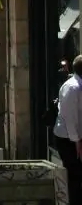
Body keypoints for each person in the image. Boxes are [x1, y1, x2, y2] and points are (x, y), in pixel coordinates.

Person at [53, 54, 82, 204]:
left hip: (74, 137)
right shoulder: (73, 87)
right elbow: (70, 117)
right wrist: (77, 141)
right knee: (74, 175)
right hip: (68, 139)